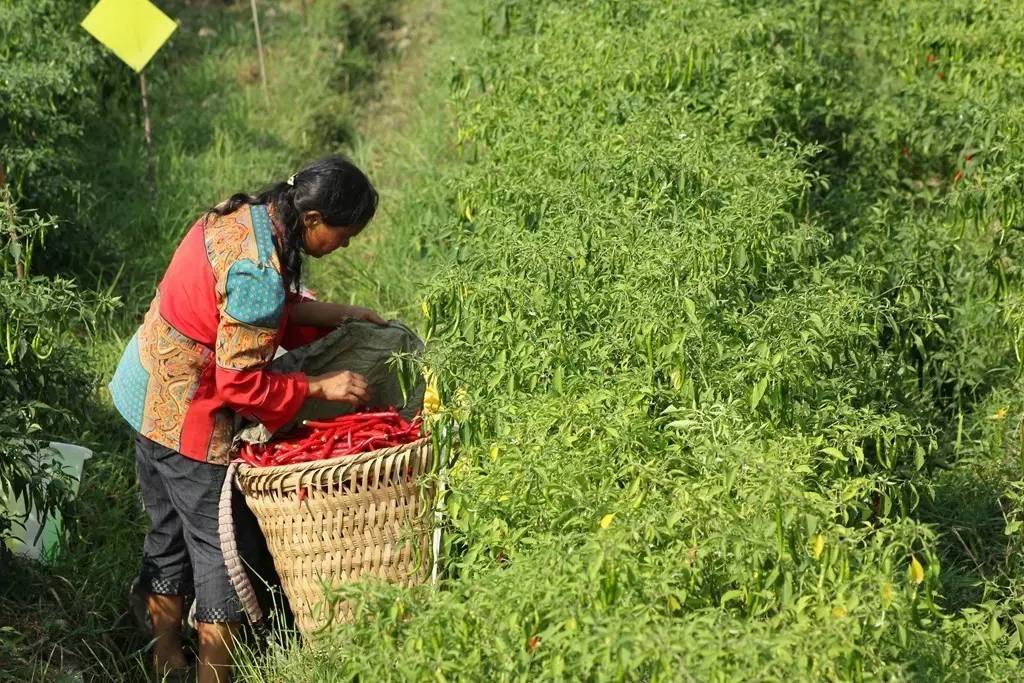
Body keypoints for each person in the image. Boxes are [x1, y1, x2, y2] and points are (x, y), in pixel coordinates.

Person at [108, 156, 385, 682]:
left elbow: (261, 312)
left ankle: (166, 658)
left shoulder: (246, 216)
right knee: (218, 551)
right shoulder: (259, 272)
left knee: (167, 533)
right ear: (312, 220)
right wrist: (319, 386)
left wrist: (344, 314)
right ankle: (214, 675)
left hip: (142, 386)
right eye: (343, 234)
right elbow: (240, 383)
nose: (344, 245)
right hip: (185, 413)